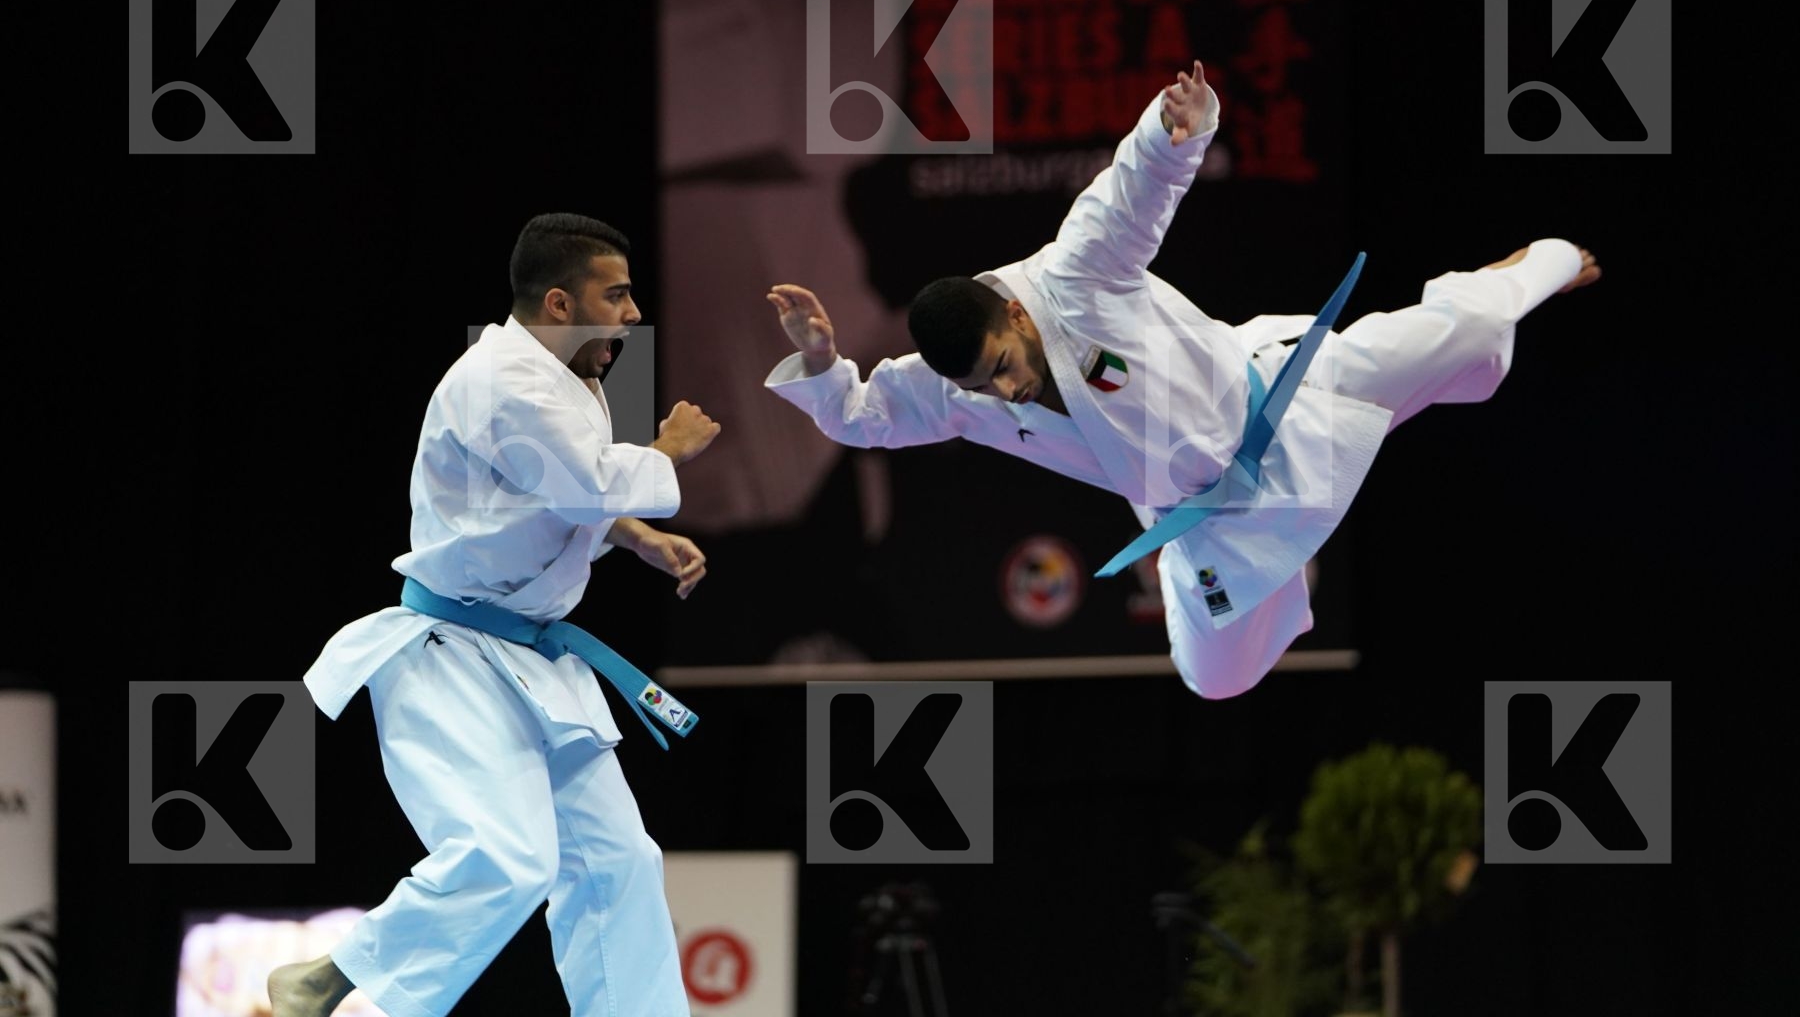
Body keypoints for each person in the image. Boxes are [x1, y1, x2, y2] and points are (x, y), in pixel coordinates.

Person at [764, 62, 1599, 699]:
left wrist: (1177, 133)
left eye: (1003, 369)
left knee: (1482, 326)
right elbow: (863, 417)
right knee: (1216, 681)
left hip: (1283, 403)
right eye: (985, 389)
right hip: (1204, 520)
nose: (1005, 392)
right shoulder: (957, 387)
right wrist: (819, 360)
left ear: (1015, 316)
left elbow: (1132, 195)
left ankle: (1543, 262)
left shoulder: (1077, 274)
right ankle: (1254, 566)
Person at [269, 213, 721, 1017]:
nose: (631, 313)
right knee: (508, 858)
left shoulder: (571, 376)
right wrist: (670, 448)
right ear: (558, 301)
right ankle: (335, 976)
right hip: (451, 652)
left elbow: (542, 496)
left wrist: (638, 535)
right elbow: (581, 481)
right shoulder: (498, 380)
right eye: (615, 295)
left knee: (620, 863)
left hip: (532, 661)